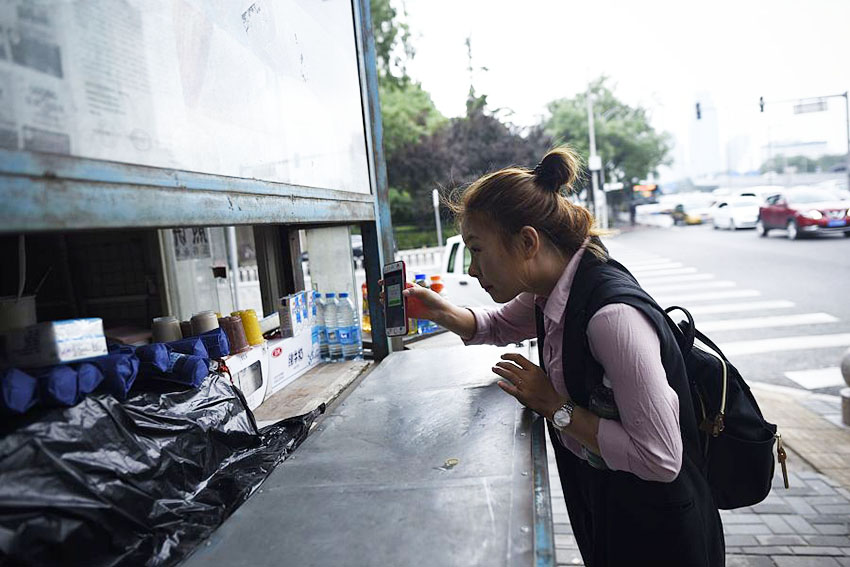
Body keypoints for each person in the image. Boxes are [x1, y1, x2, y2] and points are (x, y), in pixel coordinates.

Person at [402, 147, 724, 566]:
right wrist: (439, 311)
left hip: (659, 534)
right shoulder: (550, 290)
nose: (474, 270)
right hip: (610, 511)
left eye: (477, 250)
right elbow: (496, 324)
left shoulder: (611, 318)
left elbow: (660, 458)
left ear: (527, 242)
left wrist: (554, 405)